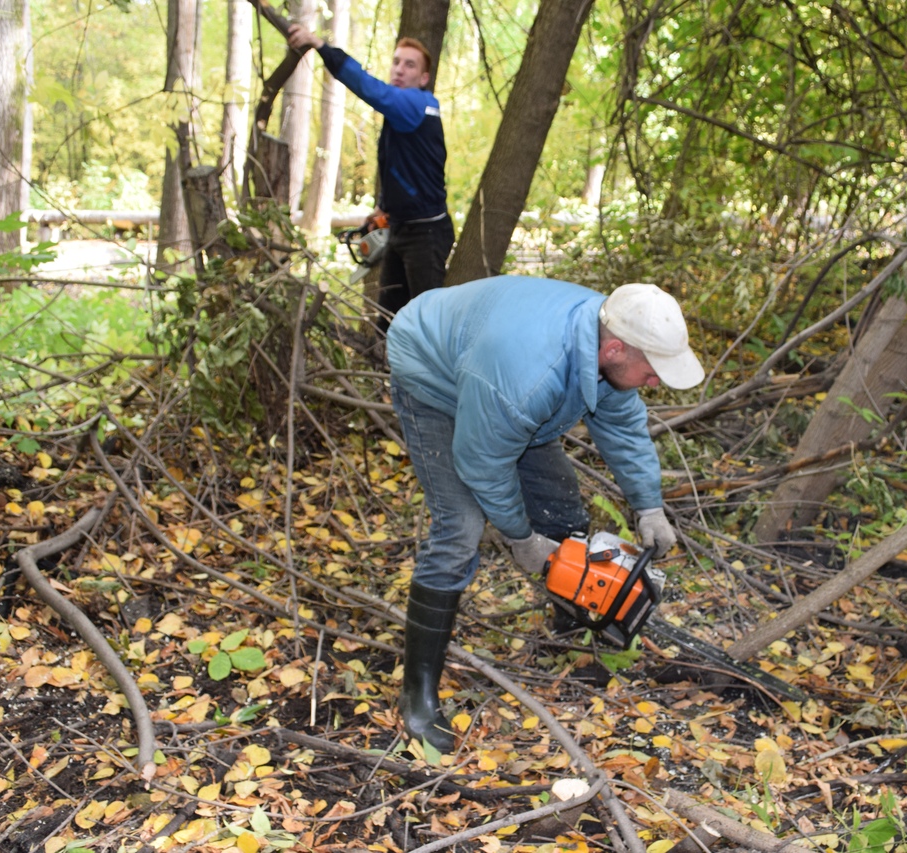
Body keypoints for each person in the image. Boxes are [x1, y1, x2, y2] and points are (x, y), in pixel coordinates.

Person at [385, 276, 705, 752]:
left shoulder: (605, 343)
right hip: (434, 374)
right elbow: (483, 462)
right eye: (653, 370)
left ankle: (573, 629)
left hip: (493, 380)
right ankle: (418, 699)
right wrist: (521, 538)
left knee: (559, 501)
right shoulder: (527, 374)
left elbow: (623, 426)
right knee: (461, 528)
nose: (656, 381)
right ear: (616, 349)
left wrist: (648, 505)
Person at [287, 25, 453, 328]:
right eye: (397, 62)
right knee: (388, 322)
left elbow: (368, 87)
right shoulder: (400, 114)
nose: (400, 69)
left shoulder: (417, 104)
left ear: (424, 78)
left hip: (426, 235)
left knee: (429, 324)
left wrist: (321, 46)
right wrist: (383, 207)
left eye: (410, 64)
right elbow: (400, 166)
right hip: (400, 228)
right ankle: (385, 372)